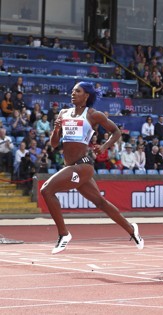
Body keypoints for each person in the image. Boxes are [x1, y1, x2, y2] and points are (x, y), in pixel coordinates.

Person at [40, 82, 144, 254]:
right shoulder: (63, 113)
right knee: (100, 202)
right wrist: (57, 128)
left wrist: (104, 147)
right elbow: (54, 143)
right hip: (70, 166)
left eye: (77, 91)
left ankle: (64, 234)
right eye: (72, 91)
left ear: (86, 95)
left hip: (83, 165)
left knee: (47, 190)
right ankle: (132, 229)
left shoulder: (93, 115)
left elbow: (116, 131)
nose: (73, 94)